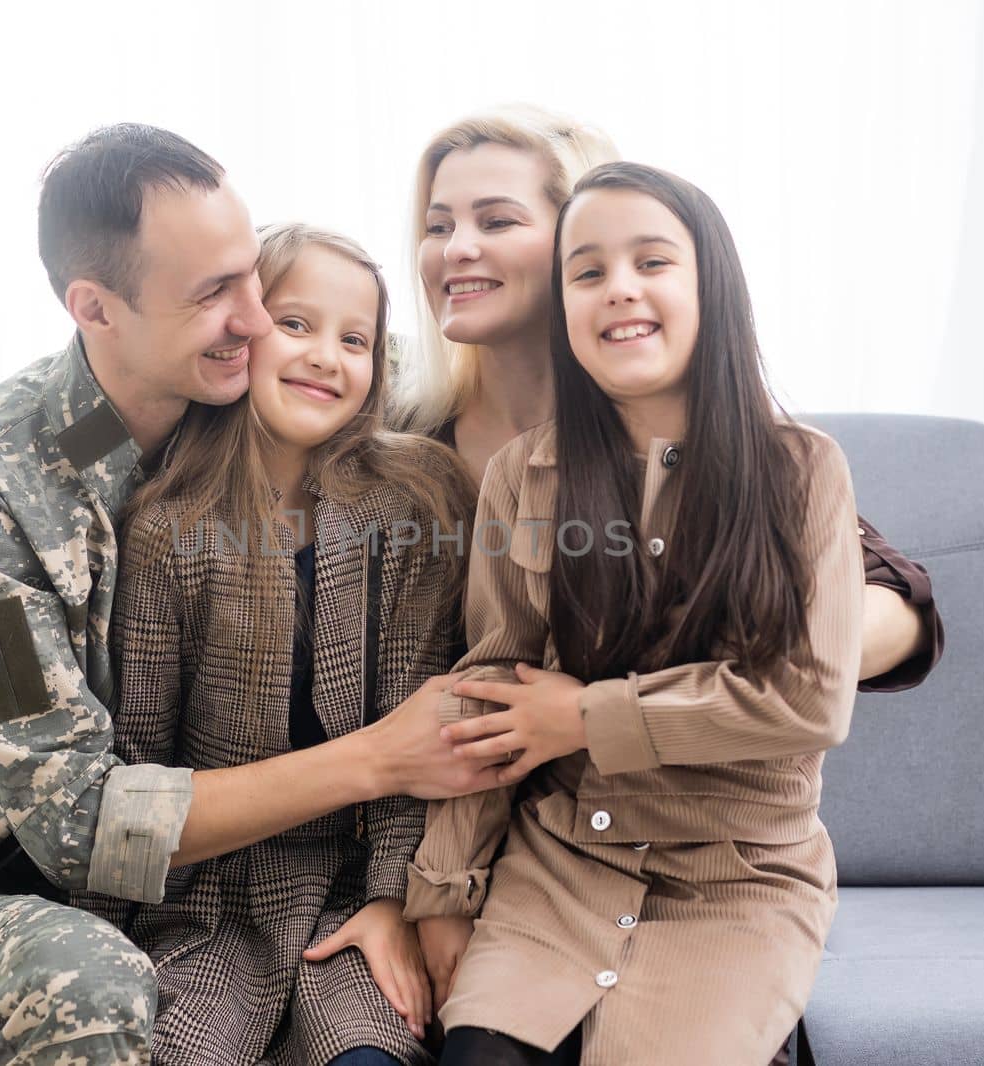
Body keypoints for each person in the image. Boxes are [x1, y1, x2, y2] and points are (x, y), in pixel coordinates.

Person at [0, 125, 498, 1066]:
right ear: (96, 308)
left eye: (250, 276)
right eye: (216, 293)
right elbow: (84, 827)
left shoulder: (217, 411)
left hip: (230, 897)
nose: (257, 320)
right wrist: (382, 757)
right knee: (93, 982)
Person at [404, 161, 868, 1064]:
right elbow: (490, 688)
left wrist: (582, 715)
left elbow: (809, 701)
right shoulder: (522, 476)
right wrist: (444, 894)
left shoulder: (804, 471)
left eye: (652, 262)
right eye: (587, 272)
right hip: (561, 869)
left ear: (711, 287)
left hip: (738, 882)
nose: (618, 289)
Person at [89, 223, 475, 1065]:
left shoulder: (411, 506)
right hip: (211, 900)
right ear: (242, 333)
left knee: (374, 1051)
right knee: (179, 1050)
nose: (326, 358)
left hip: (354, 885)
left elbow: (424, 737)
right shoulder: (165, 531)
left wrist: (390, 900)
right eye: (296, 325)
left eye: (356, 340)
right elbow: (140, 775)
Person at [394, 105, 940, 691]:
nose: (455, 250)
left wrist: (728, 682)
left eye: (497, 222)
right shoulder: (395, 431)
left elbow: (904, 614)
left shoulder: (679, 431)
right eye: (439, 226)